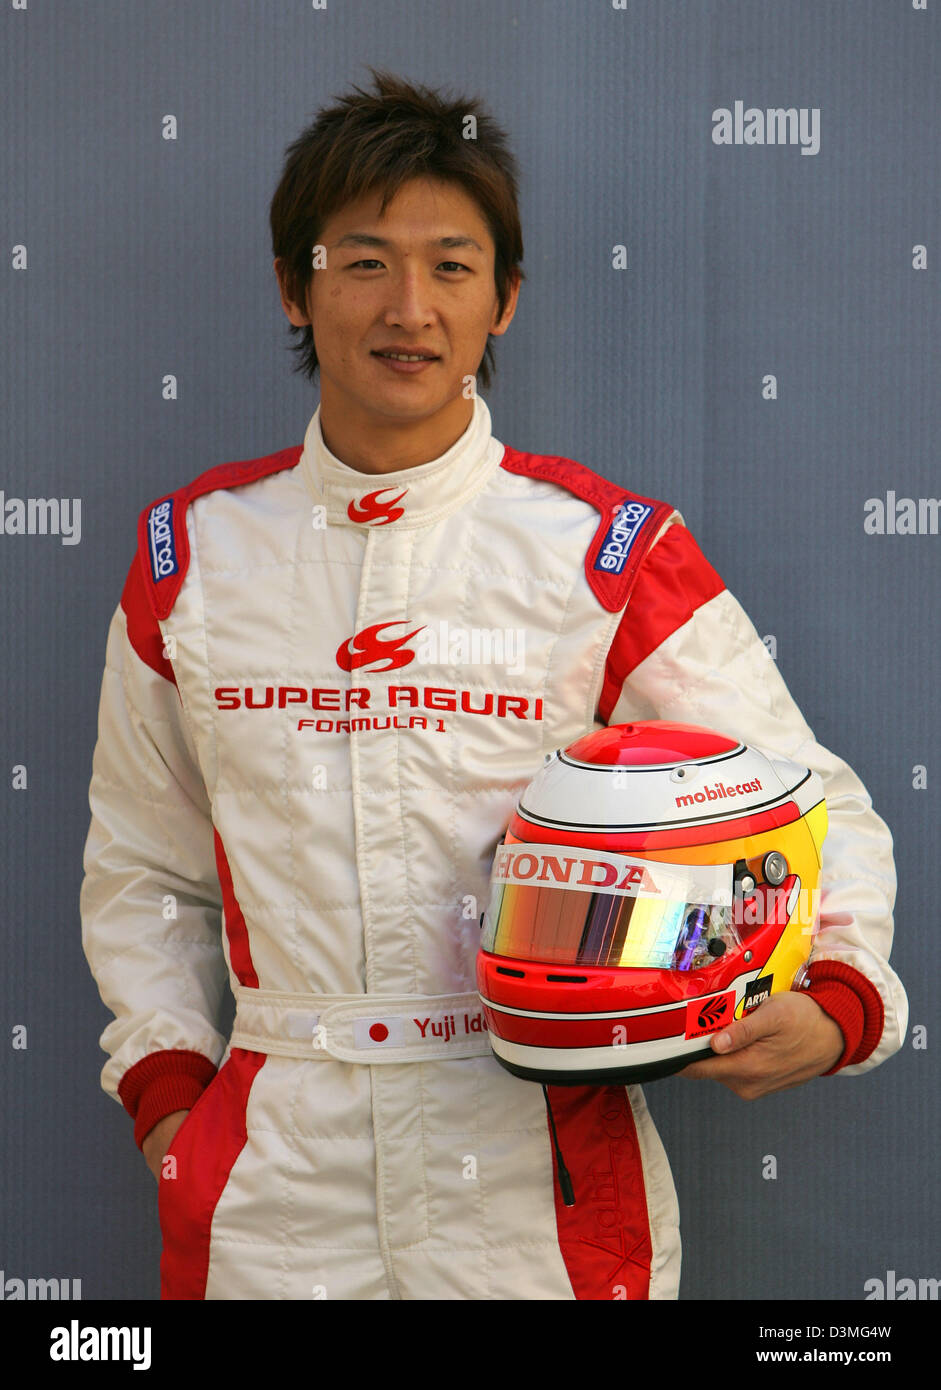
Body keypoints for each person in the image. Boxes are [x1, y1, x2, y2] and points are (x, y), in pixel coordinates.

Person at [80, 68, 907, 1301]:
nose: (407, 307)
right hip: (271, 1188)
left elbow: (813, 807)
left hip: (534, 1183)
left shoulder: (607, 554)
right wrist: (167, 1093)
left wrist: (839, 995)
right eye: (362, 261)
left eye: (452, 267)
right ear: (293, 284)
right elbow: (141, 869)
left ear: (504, 301)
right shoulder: (190, 558)